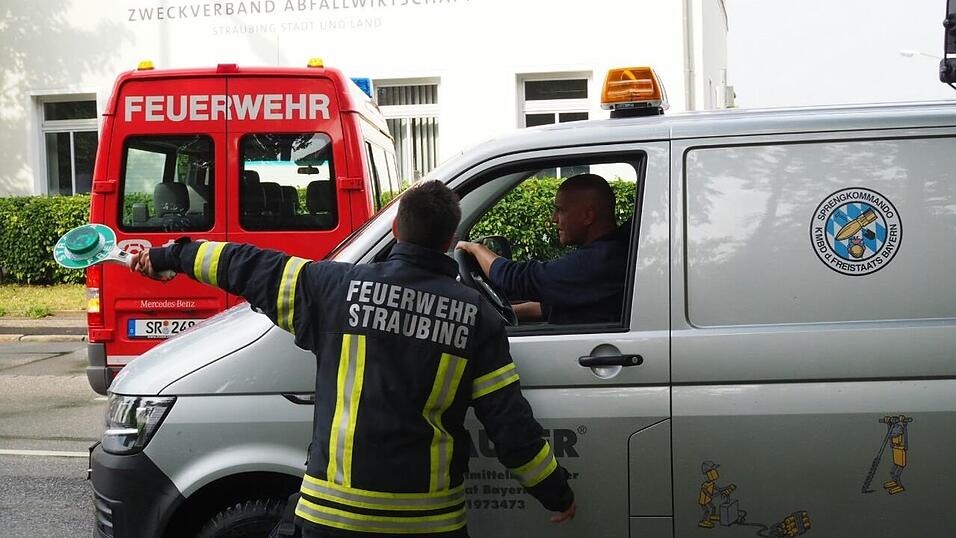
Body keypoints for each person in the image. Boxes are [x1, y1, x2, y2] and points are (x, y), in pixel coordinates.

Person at [130, 180, 576, 537]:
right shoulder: (476, 316)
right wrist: (554, 492)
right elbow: (509, 423)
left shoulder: (333, 287)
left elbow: (243, 263)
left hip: (332, 517)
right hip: (428, 521)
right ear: (449, 241)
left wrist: (168, 257)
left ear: (397, 230)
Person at [456, 173, 629, 324]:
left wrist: (475, 249)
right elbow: (552, 307)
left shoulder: (599, 261)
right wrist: (498, 313)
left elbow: (518, 278)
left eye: (560, 210)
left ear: (587, 216)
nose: (554, 219)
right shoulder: (610, 253)